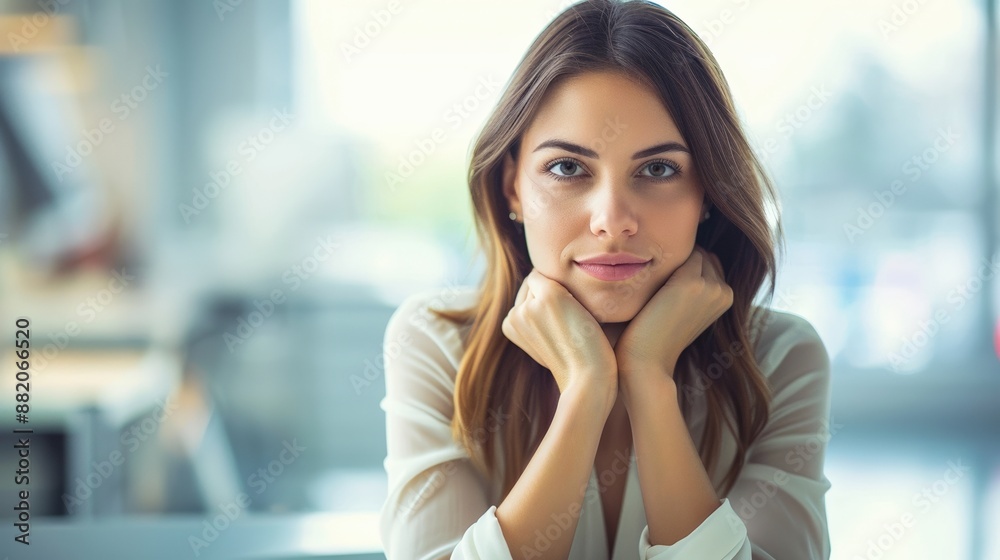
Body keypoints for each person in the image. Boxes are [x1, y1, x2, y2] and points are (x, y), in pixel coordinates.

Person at [378, 0, 833, 558]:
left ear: (708, 194)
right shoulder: (438, 345)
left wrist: (648, 379)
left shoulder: (781, 358)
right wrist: (586, 390)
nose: (612, 220)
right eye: (568, 168)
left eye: (659, 169)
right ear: (513, 189)